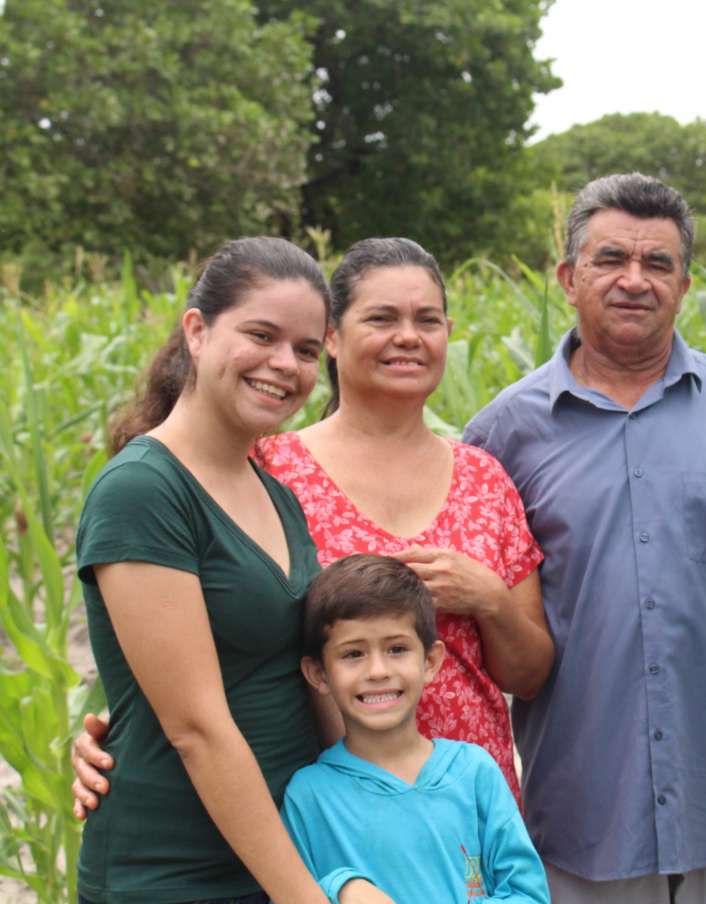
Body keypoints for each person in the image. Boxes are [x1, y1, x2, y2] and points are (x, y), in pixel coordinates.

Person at [72, 238, 552, 811]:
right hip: (318, 809)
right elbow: (205, 636)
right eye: (381, 318)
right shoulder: (265, 468)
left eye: (427, 320)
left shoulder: (484, 479)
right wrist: (121, 721)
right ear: (332, 336)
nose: (408, 336)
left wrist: (491, 601)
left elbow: (528, 676)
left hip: (468, 806)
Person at [462, 173, 706, 904]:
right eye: (610, 260)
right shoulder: (503, 434)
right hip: (580, 811)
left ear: (686, 284)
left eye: (658, 264)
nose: (635, 280)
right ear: (568, 277)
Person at [74, 237, 389, 904]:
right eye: (262, 335)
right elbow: (197, 729)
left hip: (281, 851)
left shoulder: (273, 492)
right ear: (197, 330)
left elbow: (298, 677)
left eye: (307, 350)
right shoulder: (144, 491)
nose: (286, 364)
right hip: (173, 870)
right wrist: (302, 897)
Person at [283, 553, 550, 903]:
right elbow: (290, 893)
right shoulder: (308, 796)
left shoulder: (473, 772)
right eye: (353, 654)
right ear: (318, 673)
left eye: (396, 649)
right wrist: (340, 888)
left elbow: (528, 894)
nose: (378, 671)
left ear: (430, 662)